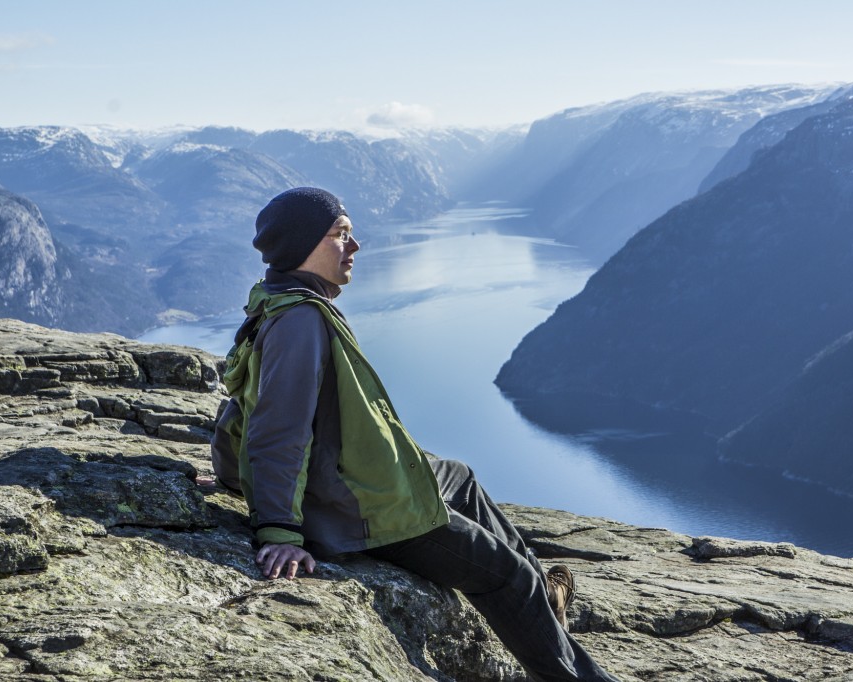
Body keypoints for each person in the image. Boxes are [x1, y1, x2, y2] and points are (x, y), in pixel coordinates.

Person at [211, 187, 619, 682]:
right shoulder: (300, 322)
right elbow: (277, 427)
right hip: (355, 510)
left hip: (351, 481)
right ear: (303, 248)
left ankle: (545, 601)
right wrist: (278, 529)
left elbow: (243, 407)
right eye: (341, 235)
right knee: (504, 577)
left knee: (460, 477)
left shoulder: (279, 301)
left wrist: (236, 476)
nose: (356, 246)